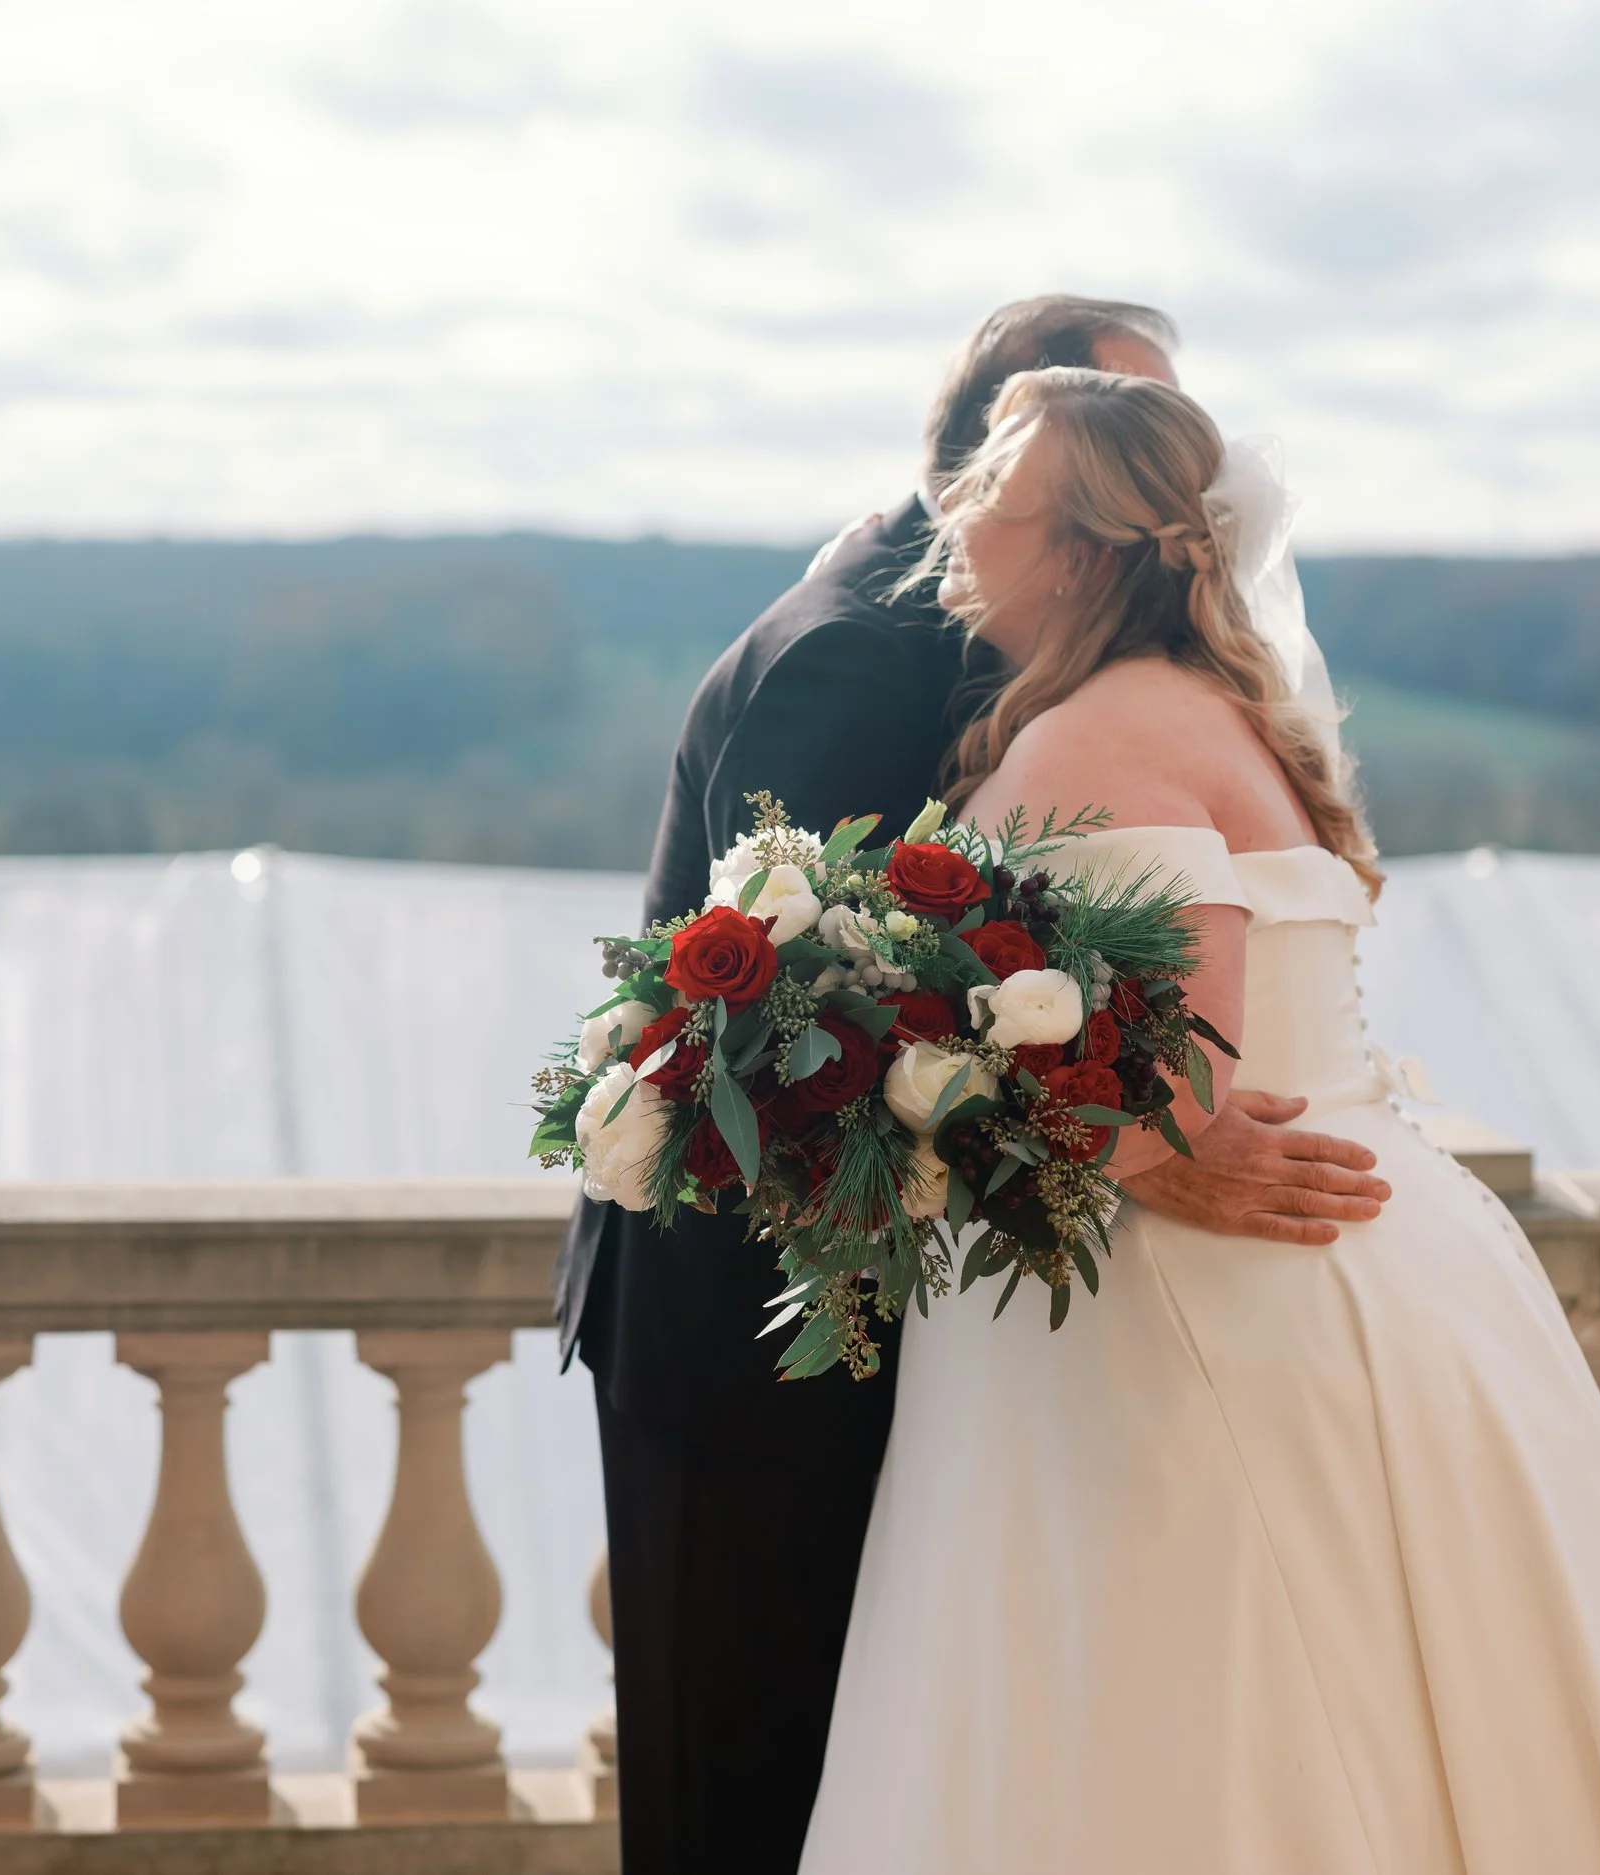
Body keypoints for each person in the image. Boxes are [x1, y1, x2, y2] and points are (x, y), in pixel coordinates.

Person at [798, 368, 1600, 1872]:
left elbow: (1178, 1079)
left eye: (996, 500)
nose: (955, 520)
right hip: (1368, 1269)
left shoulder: (1089, 739)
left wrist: (904, 1117)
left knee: (1192, 1729)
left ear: (1082, 551)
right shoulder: (1218, 708)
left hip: (1197, 1320)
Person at [553, 298, 1396, 1875]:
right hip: (756, 1330)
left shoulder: (1033, 658)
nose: (1185, 489)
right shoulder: (871, 652)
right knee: (751, 1786)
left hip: (896, 1308)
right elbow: (800, 1020)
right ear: (1017, 464)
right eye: (1131, 441)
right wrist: (1139, 1157)